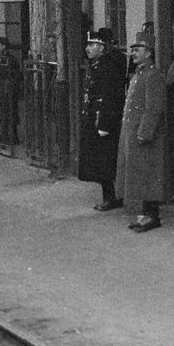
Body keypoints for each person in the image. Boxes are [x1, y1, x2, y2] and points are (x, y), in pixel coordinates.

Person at [114, 31, 167, 232]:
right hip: (132, 131)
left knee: (148, 175)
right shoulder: (140, 73)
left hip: (143, 133)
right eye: (133, 50)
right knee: (137, 174)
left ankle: (152, 215)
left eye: (138, 50)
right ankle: (143, 213)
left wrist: (145, 132)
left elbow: (153, 108)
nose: (133, 53)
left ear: (149, 52)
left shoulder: (153, 75)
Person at [77, 28, 127, 211]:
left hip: (103, 120)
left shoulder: (107, 67)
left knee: (105, 160)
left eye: (92, 45)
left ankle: (112, 197)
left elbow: (110, 96)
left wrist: (105, 123)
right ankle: (110, 195)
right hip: (95, 117)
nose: (88, 49)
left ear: (101, 47)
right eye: (88, 45)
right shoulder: (98, 65)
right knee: (100, 160)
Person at [0, 34, 22, 145]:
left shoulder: (10, 60)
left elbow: (15, 75)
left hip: (7, 90)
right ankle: (3, 135)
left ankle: (10, 136)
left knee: (9, 113)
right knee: (3, 112)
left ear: (3, 46)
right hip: (1, 89)